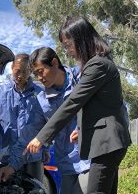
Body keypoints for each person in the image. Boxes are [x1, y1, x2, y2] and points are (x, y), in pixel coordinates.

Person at [25, 16, 131, 194]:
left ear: (81, 38)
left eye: (68, 45)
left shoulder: (98, 65)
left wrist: (41, 137)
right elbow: (96, 106)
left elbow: (73, 102)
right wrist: (81, 129)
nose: (67, 51)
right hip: (107, 144)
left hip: (107, 143)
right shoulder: (97, 64)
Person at [29, 47, 90, 194]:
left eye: (40, 71)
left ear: (54, 62)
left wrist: (85, 129)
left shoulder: (83, 78)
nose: (39, 78)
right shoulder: (42, 100)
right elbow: (36, 131)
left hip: (90, 159)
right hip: (66, 163)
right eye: (35, 74)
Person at [0, 53, 46, 183]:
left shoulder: (39, 94)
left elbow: (45, 125)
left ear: (30, 71)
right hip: (7, 153)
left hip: (32, 157)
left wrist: (45, 148)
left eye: (25, 72)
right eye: (17, 71)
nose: (20, 76)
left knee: (34, 189)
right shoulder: (0, 91)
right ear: (12, 68)